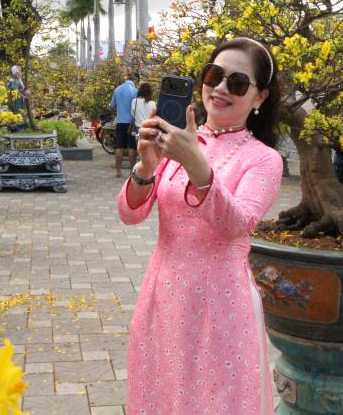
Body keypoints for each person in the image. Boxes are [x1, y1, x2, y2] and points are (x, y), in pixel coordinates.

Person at [118, 37, 283, 414]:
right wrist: (146, 167)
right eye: (214, 75)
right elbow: (130, 215)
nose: (222, 88)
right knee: (161, 396)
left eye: (238, 84)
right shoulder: (176, 143)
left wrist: (196, 165)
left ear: (259, 98)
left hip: (221, 306)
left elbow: (236, 224)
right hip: (162, 297)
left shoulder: (264, 160)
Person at [110, 72, 140, 177]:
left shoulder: (117, 89)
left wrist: (119, 113)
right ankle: (132, 171)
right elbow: (137, 106)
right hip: (131, 123)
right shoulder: (135, 91)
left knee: (119, 146)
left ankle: (118, 171)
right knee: (132, 147)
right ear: (134, 80)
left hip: (120, 122)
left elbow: (112, 105)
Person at [130, 82, 156, 147]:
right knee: (148, 149)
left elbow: (132, 114)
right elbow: (155, 116)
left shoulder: (134, 101)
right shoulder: (152, 103)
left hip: (138, 128)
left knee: (140, 149)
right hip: (149, 129)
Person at [6, 65, 29, 131]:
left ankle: (16, 129)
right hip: (15, 102)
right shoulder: (13, 81)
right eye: (20, 71)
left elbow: (22, 89)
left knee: (19, 115)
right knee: (17, 115)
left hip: (19, 102)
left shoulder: (18, 80)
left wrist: (26, 93)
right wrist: (24, 96)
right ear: (16, 72)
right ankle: (16, 129)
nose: (21, 73)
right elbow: (16, 91)